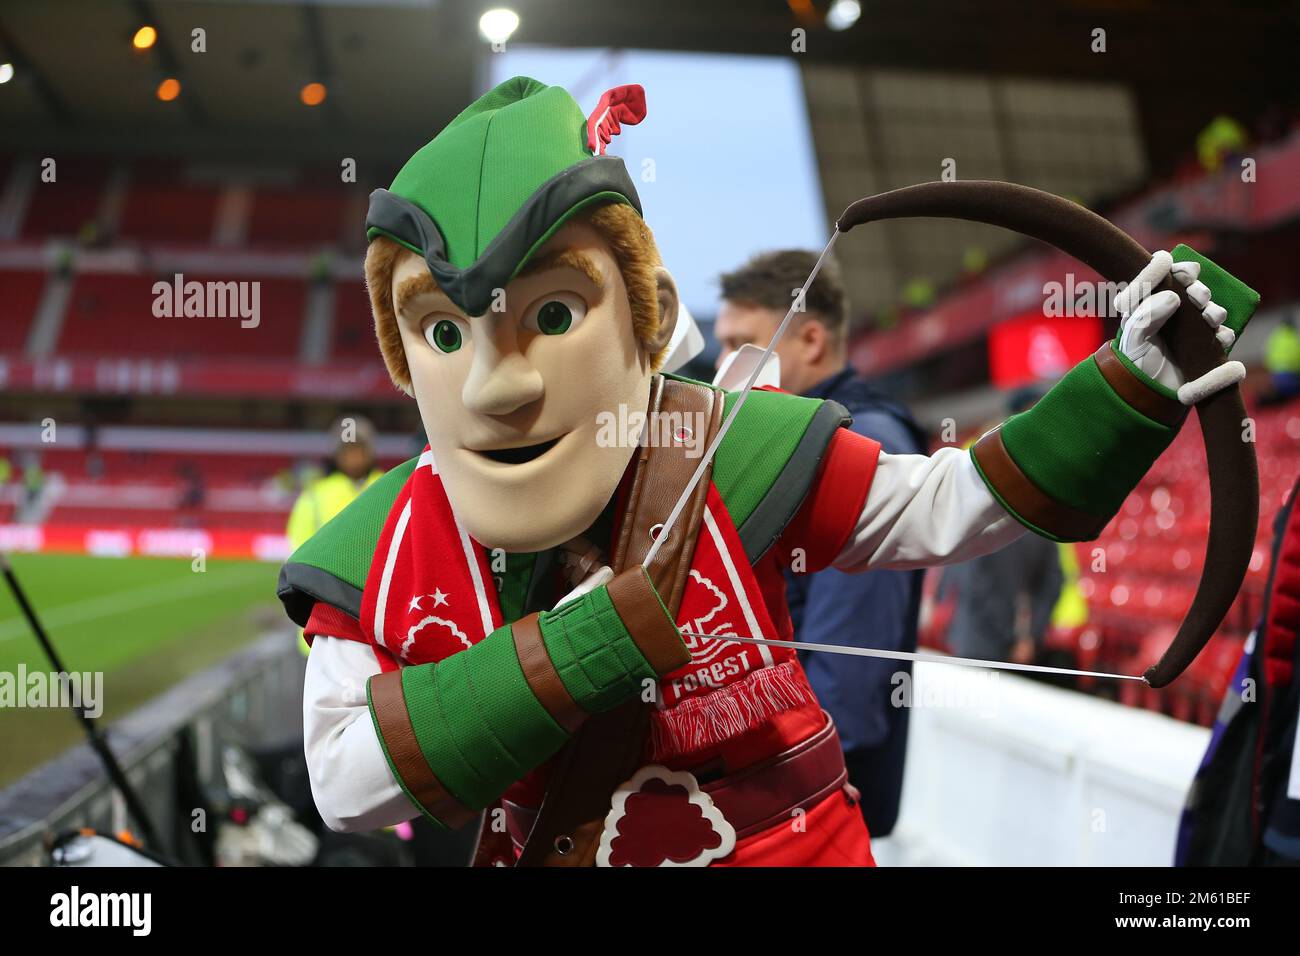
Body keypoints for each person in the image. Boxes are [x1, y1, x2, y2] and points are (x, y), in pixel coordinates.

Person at [275, 76, 1251, 867]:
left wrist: (1129, 383)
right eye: (442, 329)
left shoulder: (736, 445)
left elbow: (953, 504)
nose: (494, 386)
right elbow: (347, 781)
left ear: (639, 308)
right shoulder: (387, 544)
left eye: (556, 312)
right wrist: (578, 649)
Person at [714, 250, 925, 837]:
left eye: (743, 343)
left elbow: (848, 664)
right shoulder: (794, 437)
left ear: (809, 340)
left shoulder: (863, 440)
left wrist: (795, 776)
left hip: (812, 798)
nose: (726, 365)